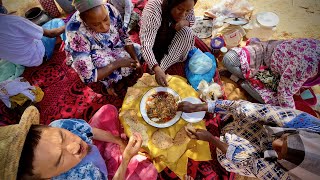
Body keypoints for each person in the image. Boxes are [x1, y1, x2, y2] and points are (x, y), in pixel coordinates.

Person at [0, 105, 157, 179]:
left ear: (44, 126)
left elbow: (90, 132)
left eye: (63, 136)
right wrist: (127, 158)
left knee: (108, 110)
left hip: (96, 153)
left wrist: (118, 141)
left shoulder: (59, 125)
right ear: (46, 178)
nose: (76, 146)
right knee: (149, 173)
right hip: (104, 174)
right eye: (59, 160)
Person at [178, 99, 320, 179]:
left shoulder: (288, 177)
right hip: (265, 131)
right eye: (285, 138)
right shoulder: (306, 124)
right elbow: (250, 109)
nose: (276, 142)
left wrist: (212, 139)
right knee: (246, 115)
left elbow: (249, 161)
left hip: (257, 158)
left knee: (225, 157)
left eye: (280, 151)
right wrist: (201, 106)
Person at [65, 0, 142, 96]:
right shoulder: (74, 31)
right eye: (96, 24)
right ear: (83, 20)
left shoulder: (110, 9)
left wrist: (136, 60)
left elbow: (124, 37)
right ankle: (108, 85)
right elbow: (88, 75)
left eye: (106, 19)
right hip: (92, 54)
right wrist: (117, 64)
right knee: (102, 63)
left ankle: (117, 72)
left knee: (137, 50)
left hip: (111, 45)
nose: (104, 27)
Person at [223, 38, 320, 108]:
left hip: (285, 77)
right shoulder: (308, 62)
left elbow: (285, 93)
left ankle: (243, 80)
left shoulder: (308, 66)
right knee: (229, 59)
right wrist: (291, 116)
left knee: (277, 103)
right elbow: (284, 93)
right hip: (266, 57)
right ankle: (244, 80)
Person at [140, 0, 196, 86]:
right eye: (179, 9)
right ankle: (157, 69)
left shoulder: (187, 5)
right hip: (155, 41)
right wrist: (155, 67)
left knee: (187, 33)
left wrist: (185, 22)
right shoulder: (153, 9)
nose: (183, 14)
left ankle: (163, 67)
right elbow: (146, 45)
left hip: (171, 34)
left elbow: (192, 19)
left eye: (187, 11)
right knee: (152, 58)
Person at [0, 14, 65, 67]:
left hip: (23, 63)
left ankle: (57, 41)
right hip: (40, 56)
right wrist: (67, 26)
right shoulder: (12, 21)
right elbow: (51, 34)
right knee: (57, 22)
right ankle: (68, 43)